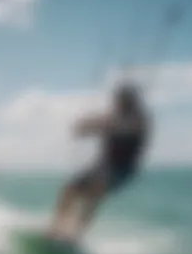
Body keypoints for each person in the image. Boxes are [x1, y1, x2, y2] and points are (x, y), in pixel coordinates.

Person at [49, 81, 150, 243]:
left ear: (130, 102)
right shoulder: (113, 116)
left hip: (122, 170)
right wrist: (84, 127)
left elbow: (123, 128)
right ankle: (54, 229)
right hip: (101, 167)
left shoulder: (139, 119)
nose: (117, 103)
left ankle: (74, 236)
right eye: (117, 100)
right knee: (69, 190)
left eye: (121, 100)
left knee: (95, 192)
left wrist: (98, 125)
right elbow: (98, 124)